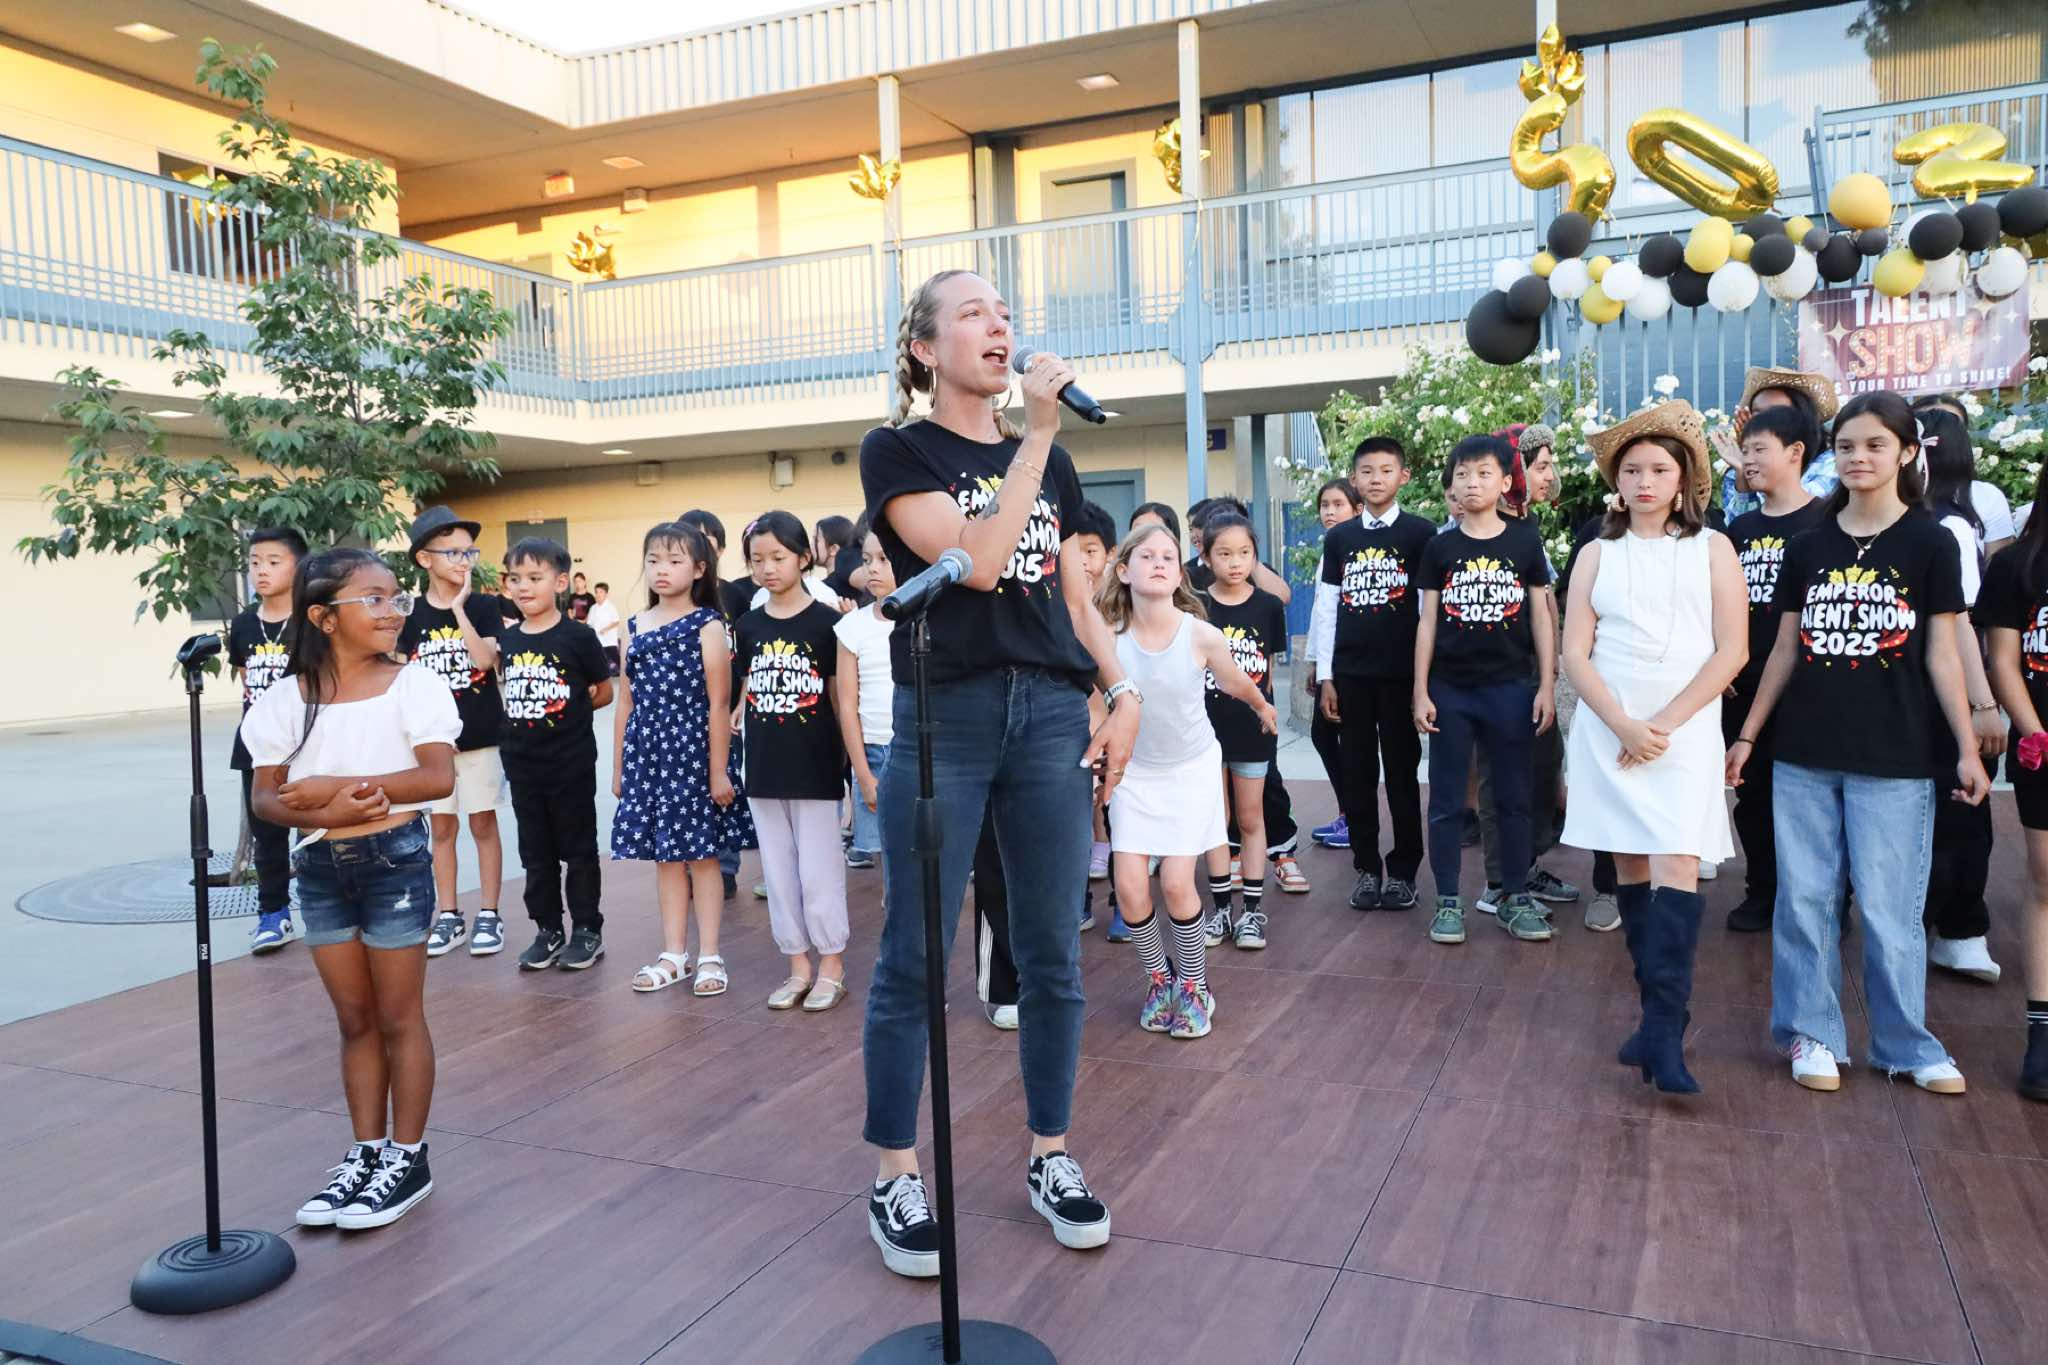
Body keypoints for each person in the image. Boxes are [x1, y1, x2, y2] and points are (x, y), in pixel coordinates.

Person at [858, 268, 1138, 1278]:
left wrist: (1120, 690)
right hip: (951, 712)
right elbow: (975, 563)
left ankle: (1049, 1154)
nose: (999, 325)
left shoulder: (1046, 460)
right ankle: (895, 1172)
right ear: (925, 348)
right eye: (973, 313)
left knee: (1051, 951)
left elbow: (1070, 597)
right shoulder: (899, 450)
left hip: (1050, 713)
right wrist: (1036, 437)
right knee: (915, 953)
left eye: (1004, 313)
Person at [1729, 390, 1986, 1097]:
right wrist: (1749, 734)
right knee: (1803, 900)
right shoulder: (1808, 544)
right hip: (1804, 751)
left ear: (1907, 453)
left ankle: (1905, 1043)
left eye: (1875, 445)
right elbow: (1785, 649)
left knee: (1889, 908)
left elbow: (1942, 654)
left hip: (1898, 755)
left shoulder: (1930, 542)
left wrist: (1967, 745)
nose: (1858, 458)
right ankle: (1810, 1032)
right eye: (1846, 446)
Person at [242, 548, 458, 1231]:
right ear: (323, 617)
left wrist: (336, 791)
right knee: (355, 1019)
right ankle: (365, 1152)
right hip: (320, 869)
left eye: (396, 597)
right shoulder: (285, 699)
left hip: (395, 861)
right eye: (374, 599)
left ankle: (408, 1157)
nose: (393, 610)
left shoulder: (414, 685)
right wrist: (325, 815)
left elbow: (436, 778)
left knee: (399, 1016)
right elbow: (265, 797)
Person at [1563, 402, 1747, 1094]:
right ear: (1616, 478)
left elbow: (1732, 650)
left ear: (1683, 479)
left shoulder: (1713, 548)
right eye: (1632, 469)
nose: (1645, 481)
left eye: (1659, 470)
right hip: (1611, 730)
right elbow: (1574, 653)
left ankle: (1665, 1035)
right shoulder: (1595, 552)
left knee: (1678, 859)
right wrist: (1622, 724)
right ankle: (1654, 1023)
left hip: (1684, 729)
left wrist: (1660, 725)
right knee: (1631, 864)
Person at [1101, 523, 1276, 1036]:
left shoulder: (1200, 634)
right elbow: (1095, 703)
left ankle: (1196, 986)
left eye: (1168, 557)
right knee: (1129, 887)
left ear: (1179, 575)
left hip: (1191, 770)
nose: (1158, 563)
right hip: (1134, 774)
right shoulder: (1108, 637)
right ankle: (1161, 980)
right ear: (1123, 570)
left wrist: (1263, 705)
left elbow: (1235, 680)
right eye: (1146, 555)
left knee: (1178, 884)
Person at [1413, 435, 1557, 946]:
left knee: (1514, 797)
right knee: (1447, 801)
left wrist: (1546, 684)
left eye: (1483, 473)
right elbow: (1427, 622)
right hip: (1451, 691)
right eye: (1462, 474)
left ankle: (1513, 896)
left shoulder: (1524, 541)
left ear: (1505, 481)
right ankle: (1448, 901)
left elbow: (1540, 616)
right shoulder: (1439, 548)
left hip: (1511, 689)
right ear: (1451, 485)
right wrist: (1420, 690)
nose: (1472, 483)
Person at [612, 521, 751, 996]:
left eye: (674, 561)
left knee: (702, 857)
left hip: (693, 754)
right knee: (666, 859)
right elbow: (625, 702)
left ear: (698, 569)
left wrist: (718, 771)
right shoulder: (633, 626)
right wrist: (620, 768)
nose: (661, 570)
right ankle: (674, 954)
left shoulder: (708, 626)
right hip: (649, 757)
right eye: (653, 560)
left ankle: (709, 954)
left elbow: (718, 703)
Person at [1718, 406, 1831, 934]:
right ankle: (1762, 891)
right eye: (1745, 451)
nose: (1748, 461)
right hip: (1743, 684)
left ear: (1795, 453)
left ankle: (1825, 898)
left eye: (1759, 450)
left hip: (1807, 687)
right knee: (1753, 795)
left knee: (1813, 800)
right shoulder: (1739, 528)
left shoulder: (1826, 523)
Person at [736, 510, 851, 1012]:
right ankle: (798, 965)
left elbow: (839, 699)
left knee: (819, 870)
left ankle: (832, 965)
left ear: (804, 558)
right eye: (757, 559)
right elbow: (745, 692)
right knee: (778, 873)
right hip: (764, 767)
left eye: (778, 557)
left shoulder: (830, 624)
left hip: (816, 766)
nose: (767, 568)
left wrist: (847, 766)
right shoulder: (747, 626)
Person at [1312, 437, 1432, 912]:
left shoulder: (1421, 534)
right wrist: (1327, 676)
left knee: (1402, 775)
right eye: (1367, 471)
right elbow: (1327, 609)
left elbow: (1427, 612)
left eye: (1386, 470)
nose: (1376, 479)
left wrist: (1423, 682)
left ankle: (1403, 872)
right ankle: (1366, 868)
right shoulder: (1340, 538)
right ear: (1354, 478)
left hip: (1401, 677)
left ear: (1403, 476)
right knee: (1358, 775)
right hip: (1351, 677)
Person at [399, 506, 513, 959]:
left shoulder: (483, 606)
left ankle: (489, 912)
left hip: (480, 735)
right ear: (424, 559)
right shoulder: (410, 613)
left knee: (483, 823)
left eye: (469, 552)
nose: (464, 561)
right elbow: (397, 674)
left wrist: (460, 608)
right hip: (430, 745)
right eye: (453, 553)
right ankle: (448, 915)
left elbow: (485, 661)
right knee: (442, 827)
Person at [1477, 425, 1580, 916]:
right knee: (1499, 777)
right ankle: (1499, 882)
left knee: (1543, 763)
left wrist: (1551, 663)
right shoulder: (1482, 527)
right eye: (1540, 466)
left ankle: (1527, 866)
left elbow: (1544, 598)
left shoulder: (1525, 525)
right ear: (1515, 470)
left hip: (1533, 671)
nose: (1548, 476)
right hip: (1497, 673)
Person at [500, 538, 614, 972]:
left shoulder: (579, 636)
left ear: (561, 582)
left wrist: (569, 712)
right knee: (535, 852)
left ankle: (587, 929)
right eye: (515, 579)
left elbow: (603, 691)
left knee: (578, 848)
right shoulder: (510, 639)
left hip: (570, 764)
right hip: (522, 765)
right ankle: (548, 929)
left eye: (535, 577)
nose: (523, 587)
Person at [1920, 409, 2005, 983]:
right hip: (1896, 693)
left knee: (1961, 810)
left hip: (1945, 693)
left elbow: (1961, 623)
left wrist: (1980, 705)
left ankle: (1960, 929)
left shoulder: (1947, 526)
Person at [1976, 462, 2048, 1099]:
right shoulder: (2018, 567)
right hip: (2041, 746)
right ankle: (2042, 1031)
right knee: (2046, 877)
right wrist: (2033, 733)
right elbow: (2004, 661)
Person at [1198, 512, 1289, 951]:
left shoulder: (1268, 606)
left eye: (1244, 553)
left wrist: (1266, 714)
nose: (1235, 562)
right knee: (1216, 821)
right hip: (1203, 731)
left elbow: (1266, 673)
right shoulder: (1194, 606)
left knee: (1251, 819)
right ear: (1205, 557)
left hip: (1251, 730)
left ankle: (1251, 913)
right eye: (1224, 554)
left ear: (1255, 555)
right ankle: (1220, 911)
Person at [228, 526, 306, 954]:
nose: (261, 570)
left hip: (308, 743)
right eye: (255, 562)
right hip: (258, 748)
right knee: (268, 836)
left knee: (313, 831)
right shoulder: (243, 625)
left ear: (299, 566)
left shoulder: (313, 620)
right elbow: (247, 681)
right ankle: (273, 915)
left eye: (274, 562)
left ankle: (323, 907)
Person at [680, 507, 755, 901]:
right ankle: (692, 862)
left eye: (707, 541)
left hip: (726, 709)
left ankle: (725, 866)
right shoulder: (674, 598)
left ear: (721, 548)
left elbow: (749, 656)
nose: (699, 548)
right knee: (687, 788)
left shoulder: (737, 595)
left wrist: (742, 701)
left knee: (724, 783)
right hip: (683, 713)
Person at [1304, 478, 1363, 851]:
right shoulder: (1330, 549)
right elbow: (1321, 614)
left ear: (1357, 510)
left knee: (1339, 739)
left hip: (1348, 662)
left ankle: (1356, 819)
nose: (1330, 511)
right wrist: (1315, 662)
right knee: (1324, 736)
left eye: (1338, 504)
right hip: (1329, 663)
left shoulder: (1353, 550)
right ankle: (1349, 814)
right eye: (1325, 505)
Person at [835, 526, 897, 870]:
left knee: (924, 853)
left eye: (884, 559)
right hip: (873, 754)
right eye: (867, 559)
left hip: (920, 752)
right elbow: (847, 705)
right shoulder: (852, 627)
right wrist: (863, 772)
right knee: (889, 859)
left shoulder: (928, 620)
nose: (872, 568)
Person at [1715, 367, 1841, 520]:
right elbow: (1740, 528)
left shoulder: (1831, 464)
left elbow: (1792, 512)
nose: (1765, 422)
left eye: (1777, 413)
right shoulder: (1737, 471)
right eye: (1757, 415)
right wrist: (1743, 472)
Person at [1914, 393, 2015, 555]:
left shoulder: (1986, 496)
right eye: (1925, 424)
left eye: (1949, 426)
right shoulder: (1890, 495)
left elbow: (1997, 564)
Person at [588, 581, 623, 677]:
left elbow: (616, 621)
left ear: (606, 594)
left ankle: (625, 673)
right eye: (596, 592)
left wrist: (606, 629)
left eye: (601, 592)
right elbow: (589, 623)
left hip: (608, 639)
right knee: (598, 658)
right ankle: (601, 676)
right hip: (597, 639)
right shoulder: (593, 608)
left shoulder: (611, 607)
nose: (598, 594)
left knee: (615, 657)